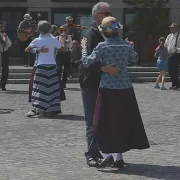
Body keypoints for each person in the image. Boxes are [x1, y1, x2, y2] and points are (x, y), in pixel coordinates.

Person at [81, 16, 150, 168]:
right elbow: (134, 58)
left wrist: (84, 49)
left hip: (107, 89)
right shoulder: (126, 45)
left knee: (102, 123)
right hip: (125, 89)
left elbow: (87, 62)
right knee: (122, 122)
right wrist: (129, 45)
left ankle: (108, 155)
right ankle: (119, 158)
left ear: (104, 32)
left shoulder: (102, 47)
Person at [79, 2, 122, 167]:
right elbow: (85, 62)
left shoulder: (107, 33)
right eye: (107, 13)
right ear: (97, 16)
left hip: (107, 82)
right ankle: (91, 154)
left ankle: (108, 154)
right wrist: (104, 68)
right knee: (92, 120)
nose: (111, 15)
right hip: (90, 82)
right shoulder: (89, 34)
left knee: (105, 119)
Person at [25, 20, 64, 118]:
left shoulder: (37, 40)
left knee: (39, 88)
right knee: (52, 88)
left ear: (39, 29)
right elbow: (62, 49)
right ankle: (52, 110)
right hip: (52, 65)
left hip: (41, 66)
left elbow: (27, 49)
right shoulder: (54, 39)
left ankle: (38, 109)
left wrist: (38, 50)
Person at [165, 22, 180, 90]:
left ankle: (177, 85)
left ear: (177, 28)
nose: (171, 29)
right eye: (171, 27)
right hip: (170, 54)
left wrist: (178, 49)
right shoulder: (169, 36)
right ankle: (174, 84)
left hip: (176, 54)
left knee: (174, 70)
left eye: (173, 27)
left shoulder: (179, 35)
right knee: (170, 70)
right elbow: (166, 44)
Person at [0, 21, 12, 91]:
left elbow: (9, 44)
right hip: (2, 53)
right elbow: (3, 43)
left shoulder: (4, 34)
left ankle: (3, 84)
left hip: (4, 53)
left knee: (5, 70)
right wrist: (4, 38)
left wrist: (5, 37)